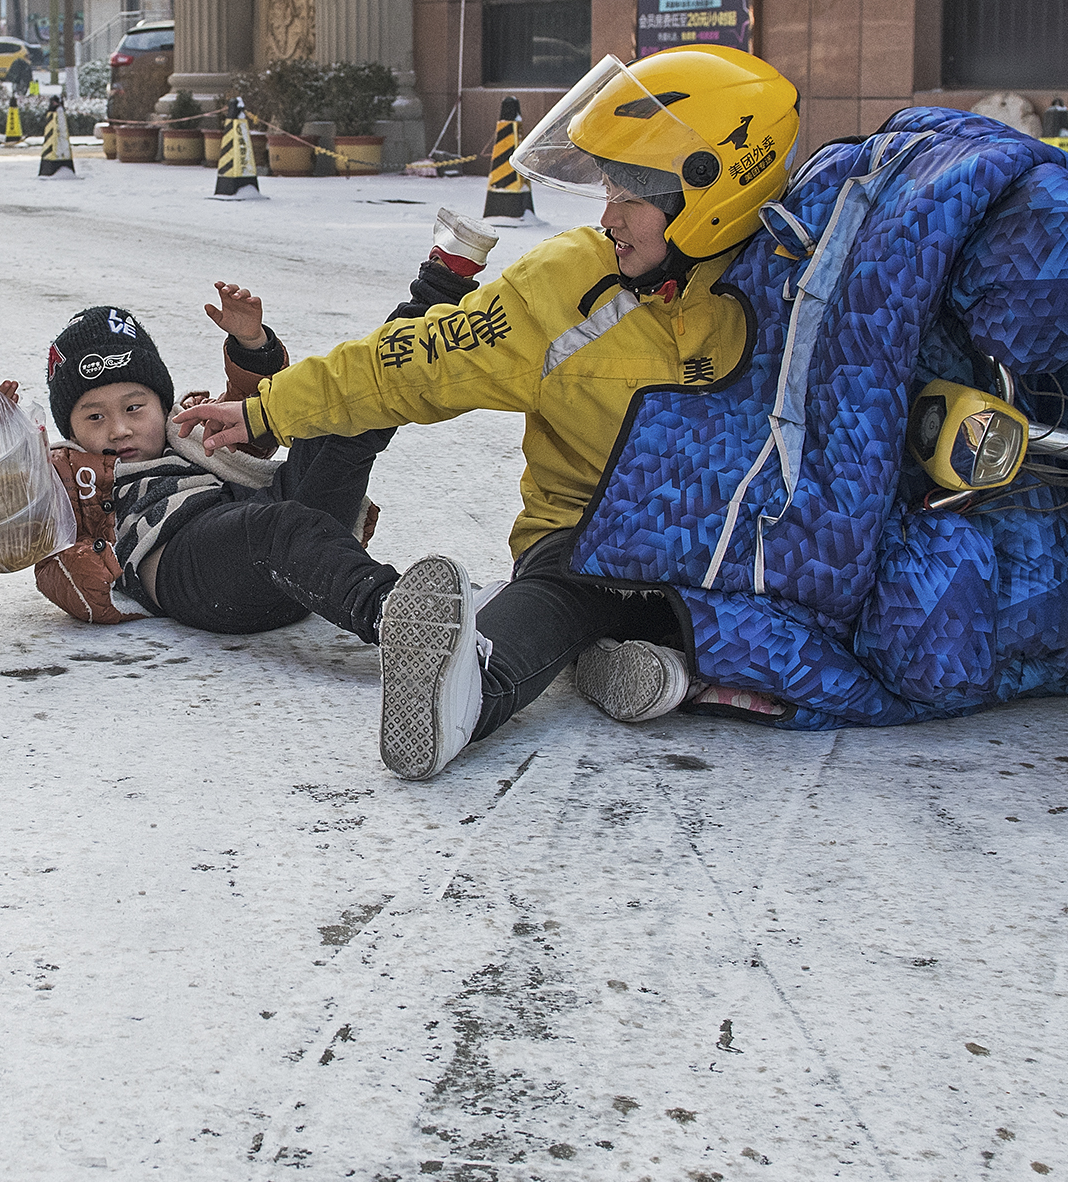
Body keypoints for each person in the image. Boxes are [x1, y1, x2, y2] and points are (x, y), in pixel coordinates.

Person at [173, 46, 801, 781]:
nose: (609, 215)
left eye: (632, 193)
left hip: (730, 558)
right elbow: (409, 361)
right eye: (608, 188)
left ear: (714, 191)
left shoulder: (795, 290)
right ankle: (461, 686)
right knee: (561, 596)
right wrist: (269, 409)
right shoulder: (568, 285)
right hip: (589, 547)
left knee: (795, 598)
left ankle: (660, 666)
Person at [0, 211, 497, 641]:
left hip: (272, 546)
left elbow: (258, 415)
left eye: (134, 408)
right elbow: (6, 526)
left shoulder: (188, 429)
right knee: (279, 525)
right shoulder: (65, 476)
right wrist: (4, 443)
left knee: (341, 410)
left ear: (161, 401)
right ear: (70, 426)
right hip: (189, 569)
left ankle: (442, 282)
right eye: (94, 416)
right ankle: (405, 620)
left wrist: (253, 347)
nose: (118, 430)